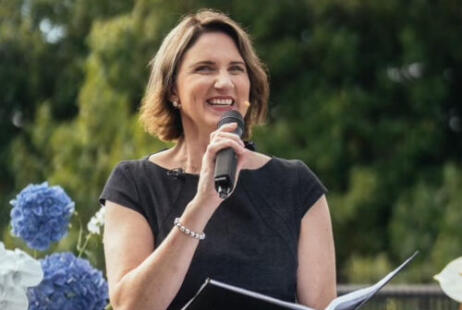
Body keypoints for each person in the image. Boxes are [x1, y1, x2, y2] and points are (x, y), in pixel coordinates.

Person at [99, 9, 336, 310]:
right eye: (205, 69)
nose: (224, 82)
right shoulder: (133, 184)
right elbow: (130, 306)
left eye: (236, 69)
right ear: (173, 91)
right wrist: (202, 203)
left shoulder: (297, 185)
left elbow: (322, 306)